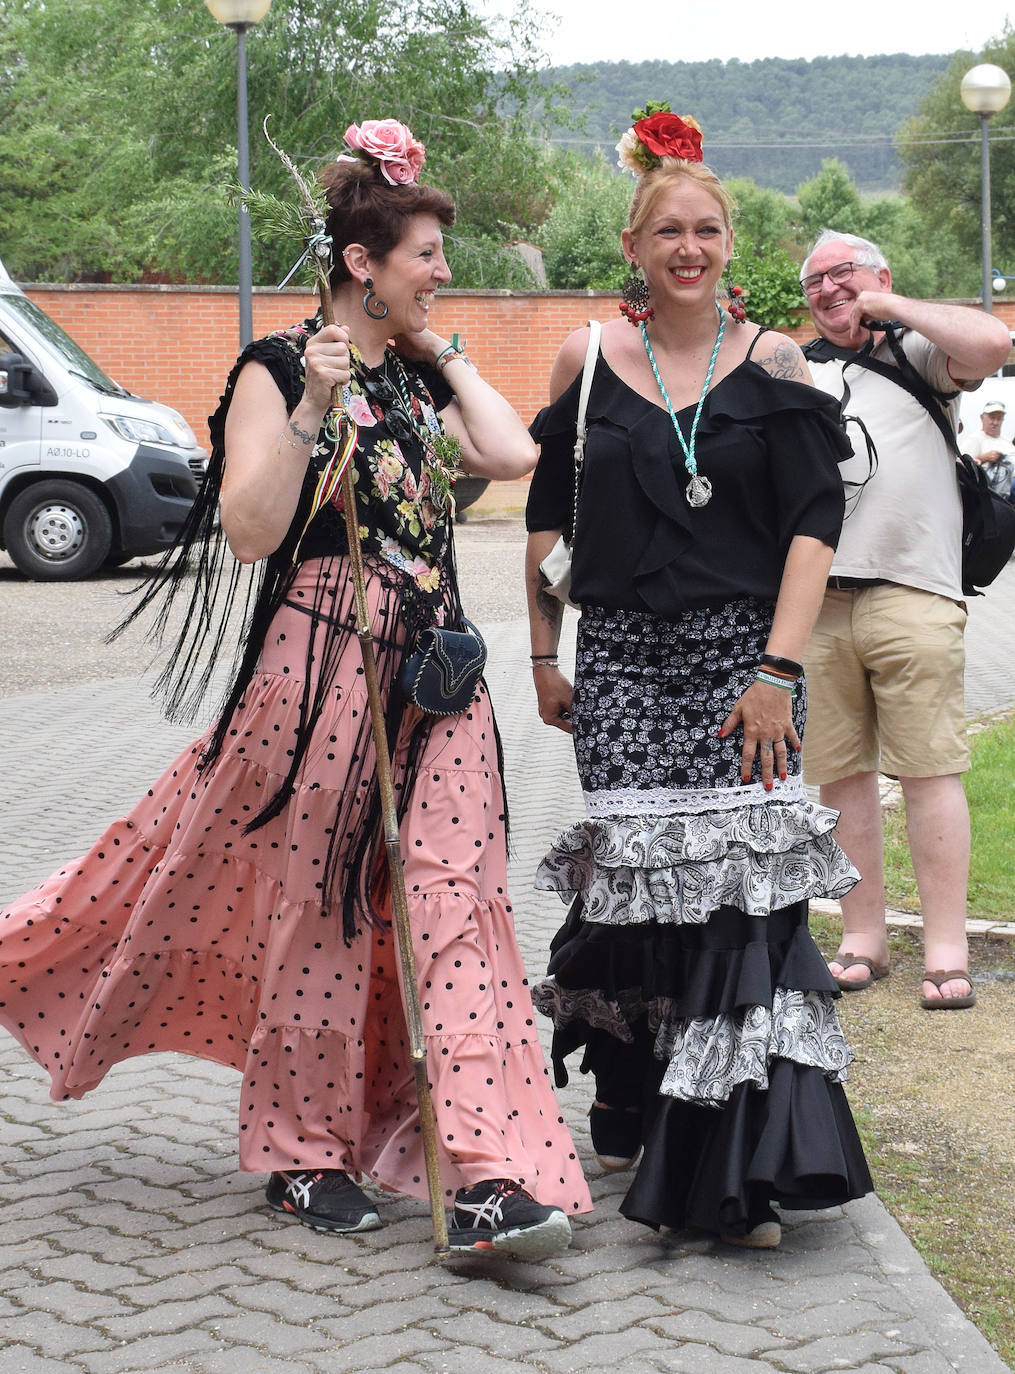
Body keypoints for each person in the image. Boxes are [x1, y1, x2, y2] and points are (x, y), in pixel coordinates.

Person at [0, 117, 591, 1259]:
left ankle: (481, 1170)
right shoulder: (275, 369)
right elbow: (250, 528)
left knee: (456, 903)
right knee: (322, 907)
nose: (444, 272)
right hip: (321, 672)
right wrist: (317, 402)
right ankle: (302, 1150)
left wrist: (438, 346)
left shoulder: (418, 381)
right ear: (363, 263)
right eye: (427, 255)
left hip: (441, 677)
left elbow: (515, 456)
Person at [523, 105, 871, 1249]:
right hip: (620, 660)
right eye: (666, 230)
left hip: (742, 662)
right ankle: (628, 1095)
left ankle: (731, 1166)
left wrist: (777, 666)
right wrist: (540, 653)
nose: (688, 247)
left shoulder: (772, 361)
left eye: (707, 230)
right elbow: (542, 518)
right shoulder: (586, 358)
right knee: (636, 890)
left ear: (730, 245)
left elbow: (813, 526)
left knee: (742, 905)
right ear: (631, 247)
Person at [798, 229, 1011, 1010]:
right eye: (814, 280)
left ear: (881, 276)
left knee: (928, 771)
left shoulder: (917, 353)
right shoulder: (791, 363)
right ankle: (862, 937)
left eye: (843, 274)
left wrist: (882, 306)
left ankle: (946, 947)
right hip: (816, 603)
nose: (827, 289)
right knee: (839, 775)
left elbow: (992, 340)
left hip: (914, 589)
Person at [964, 400, 1015, 499]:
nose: (995, 422)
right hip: (984, 493)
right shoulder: (974, 439)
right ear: (982, 418)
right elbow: (959, 467)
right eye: (992, 417)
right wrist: (982, 459)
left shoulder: (1008, 445)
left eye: (999, 418)